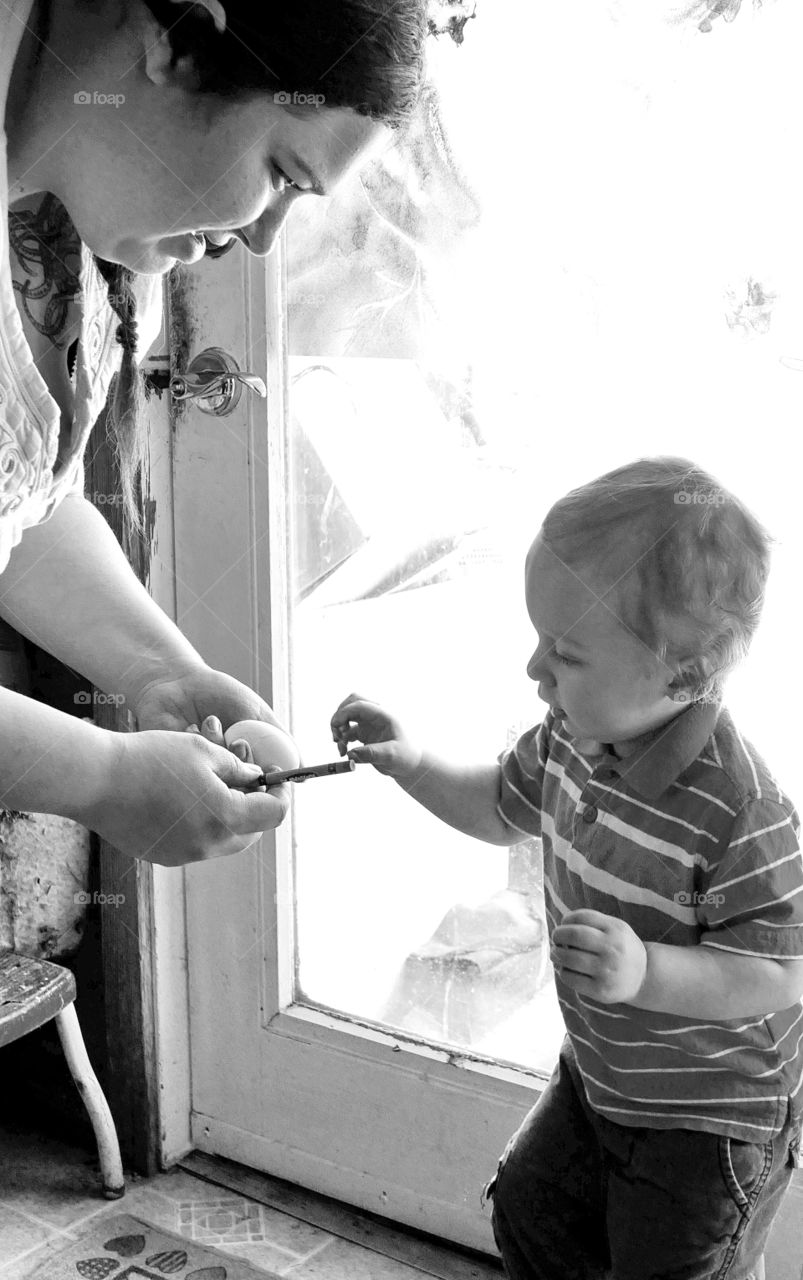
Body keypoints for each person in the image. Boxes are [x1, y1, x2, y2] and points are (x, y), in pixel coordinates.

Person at [330, 456, 803, 1280]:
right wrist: (409, 762)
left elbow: (773, 973)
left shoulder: (744, 812)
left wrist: (648, 971)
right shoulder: (570, 741)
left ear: (684, 673)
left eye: (565, 652)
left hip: (708, 1119)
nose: (533, 669)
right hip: (600, 1075)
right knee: (530, 1206)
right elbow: (494, 808)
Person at [0, 0, 426, 865]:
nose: (263, 240)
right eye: (281, 174)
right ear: (179, 41)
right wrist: (104, 776)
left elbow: (23, 508)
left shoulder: (97, 239)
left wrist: (163, 675)